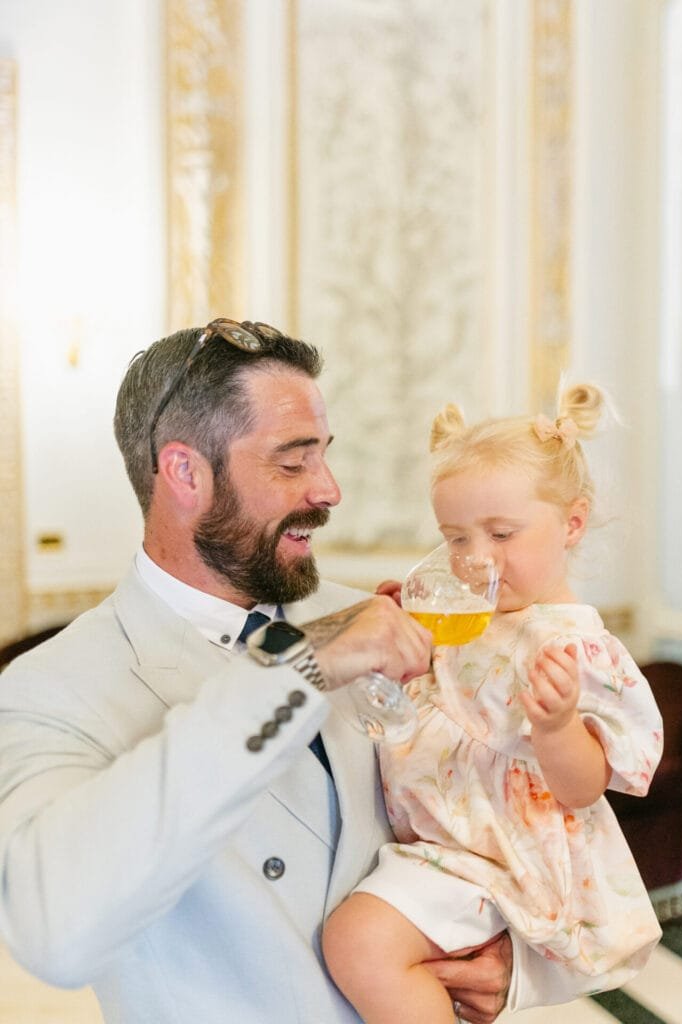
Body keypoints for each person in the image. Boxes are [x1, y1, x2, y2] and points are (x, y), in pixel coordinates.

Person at [0, 317, 534, 1024]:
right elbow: (54, 934)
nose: (329, 490)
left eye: (324, 456)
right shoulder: (54, 687)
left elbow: (499, 812)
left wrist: (510, 963)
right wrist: (298, 668)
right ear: (185, 472)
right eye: (292, 462)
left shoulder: (376, 619)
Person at [322, 382, 664, 1024]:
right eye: (455, 539)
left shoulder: (572, 646)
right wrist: (405, 641)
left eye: (501, 533)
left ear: (572, 523)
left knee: (359, 941)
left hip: (500, 858)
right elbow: (426, 704)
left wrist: (557, 726)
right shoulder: (469, 620)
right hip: (443, 845)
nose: (475, 559)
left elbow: (584, 787)